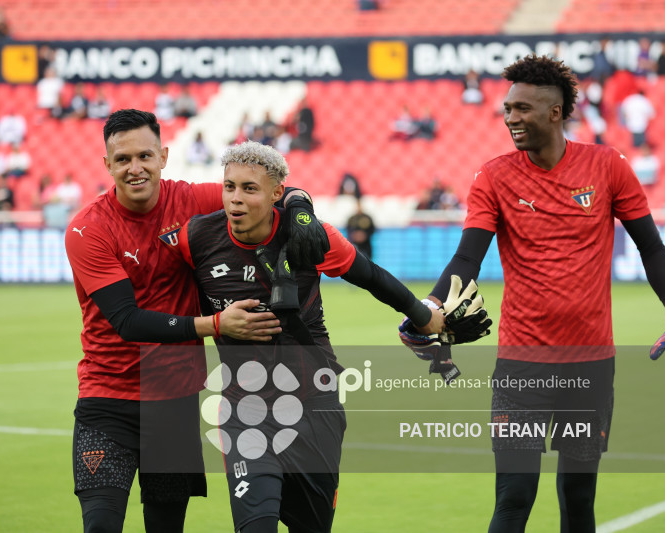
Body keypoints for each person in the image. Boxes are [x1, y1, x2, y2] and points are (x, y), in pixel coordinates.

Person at [402, 55, 665, 533]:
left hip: (591, 365)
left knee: (578, 499)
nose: (511, 118)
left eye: (522, 109)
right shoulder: (494, 176)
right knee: (514, 498)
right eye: (507, 109)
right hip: (522, 365)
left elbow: (651, 247)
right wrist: (428, 309)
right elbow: (466, 259)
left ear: (555, 113)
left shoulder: (607, 167)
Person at [64, 109, 331, 533]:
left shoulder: (190, 200)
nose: (135, 168)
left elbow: (275, 188)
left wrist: (301, 210)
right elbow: (128, 322)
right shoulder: (88, 229)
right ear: (107, 165)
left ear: (164, 156)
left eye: (145, 156)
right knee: (100, 525)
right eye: (122, 159)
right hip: (107, 401)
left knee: (166, 526)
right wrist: (215, 324)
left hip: (175, 400)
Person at [177, 141, 445, 533]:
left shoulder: (309, 236)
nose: (235, 199)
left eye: (249, 189)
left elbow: (371, 277)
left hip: (314, 405)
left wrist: (424, 318)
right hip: (244, 411)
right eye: (229, 187)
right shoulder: (196, 239)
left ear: (275, 195)